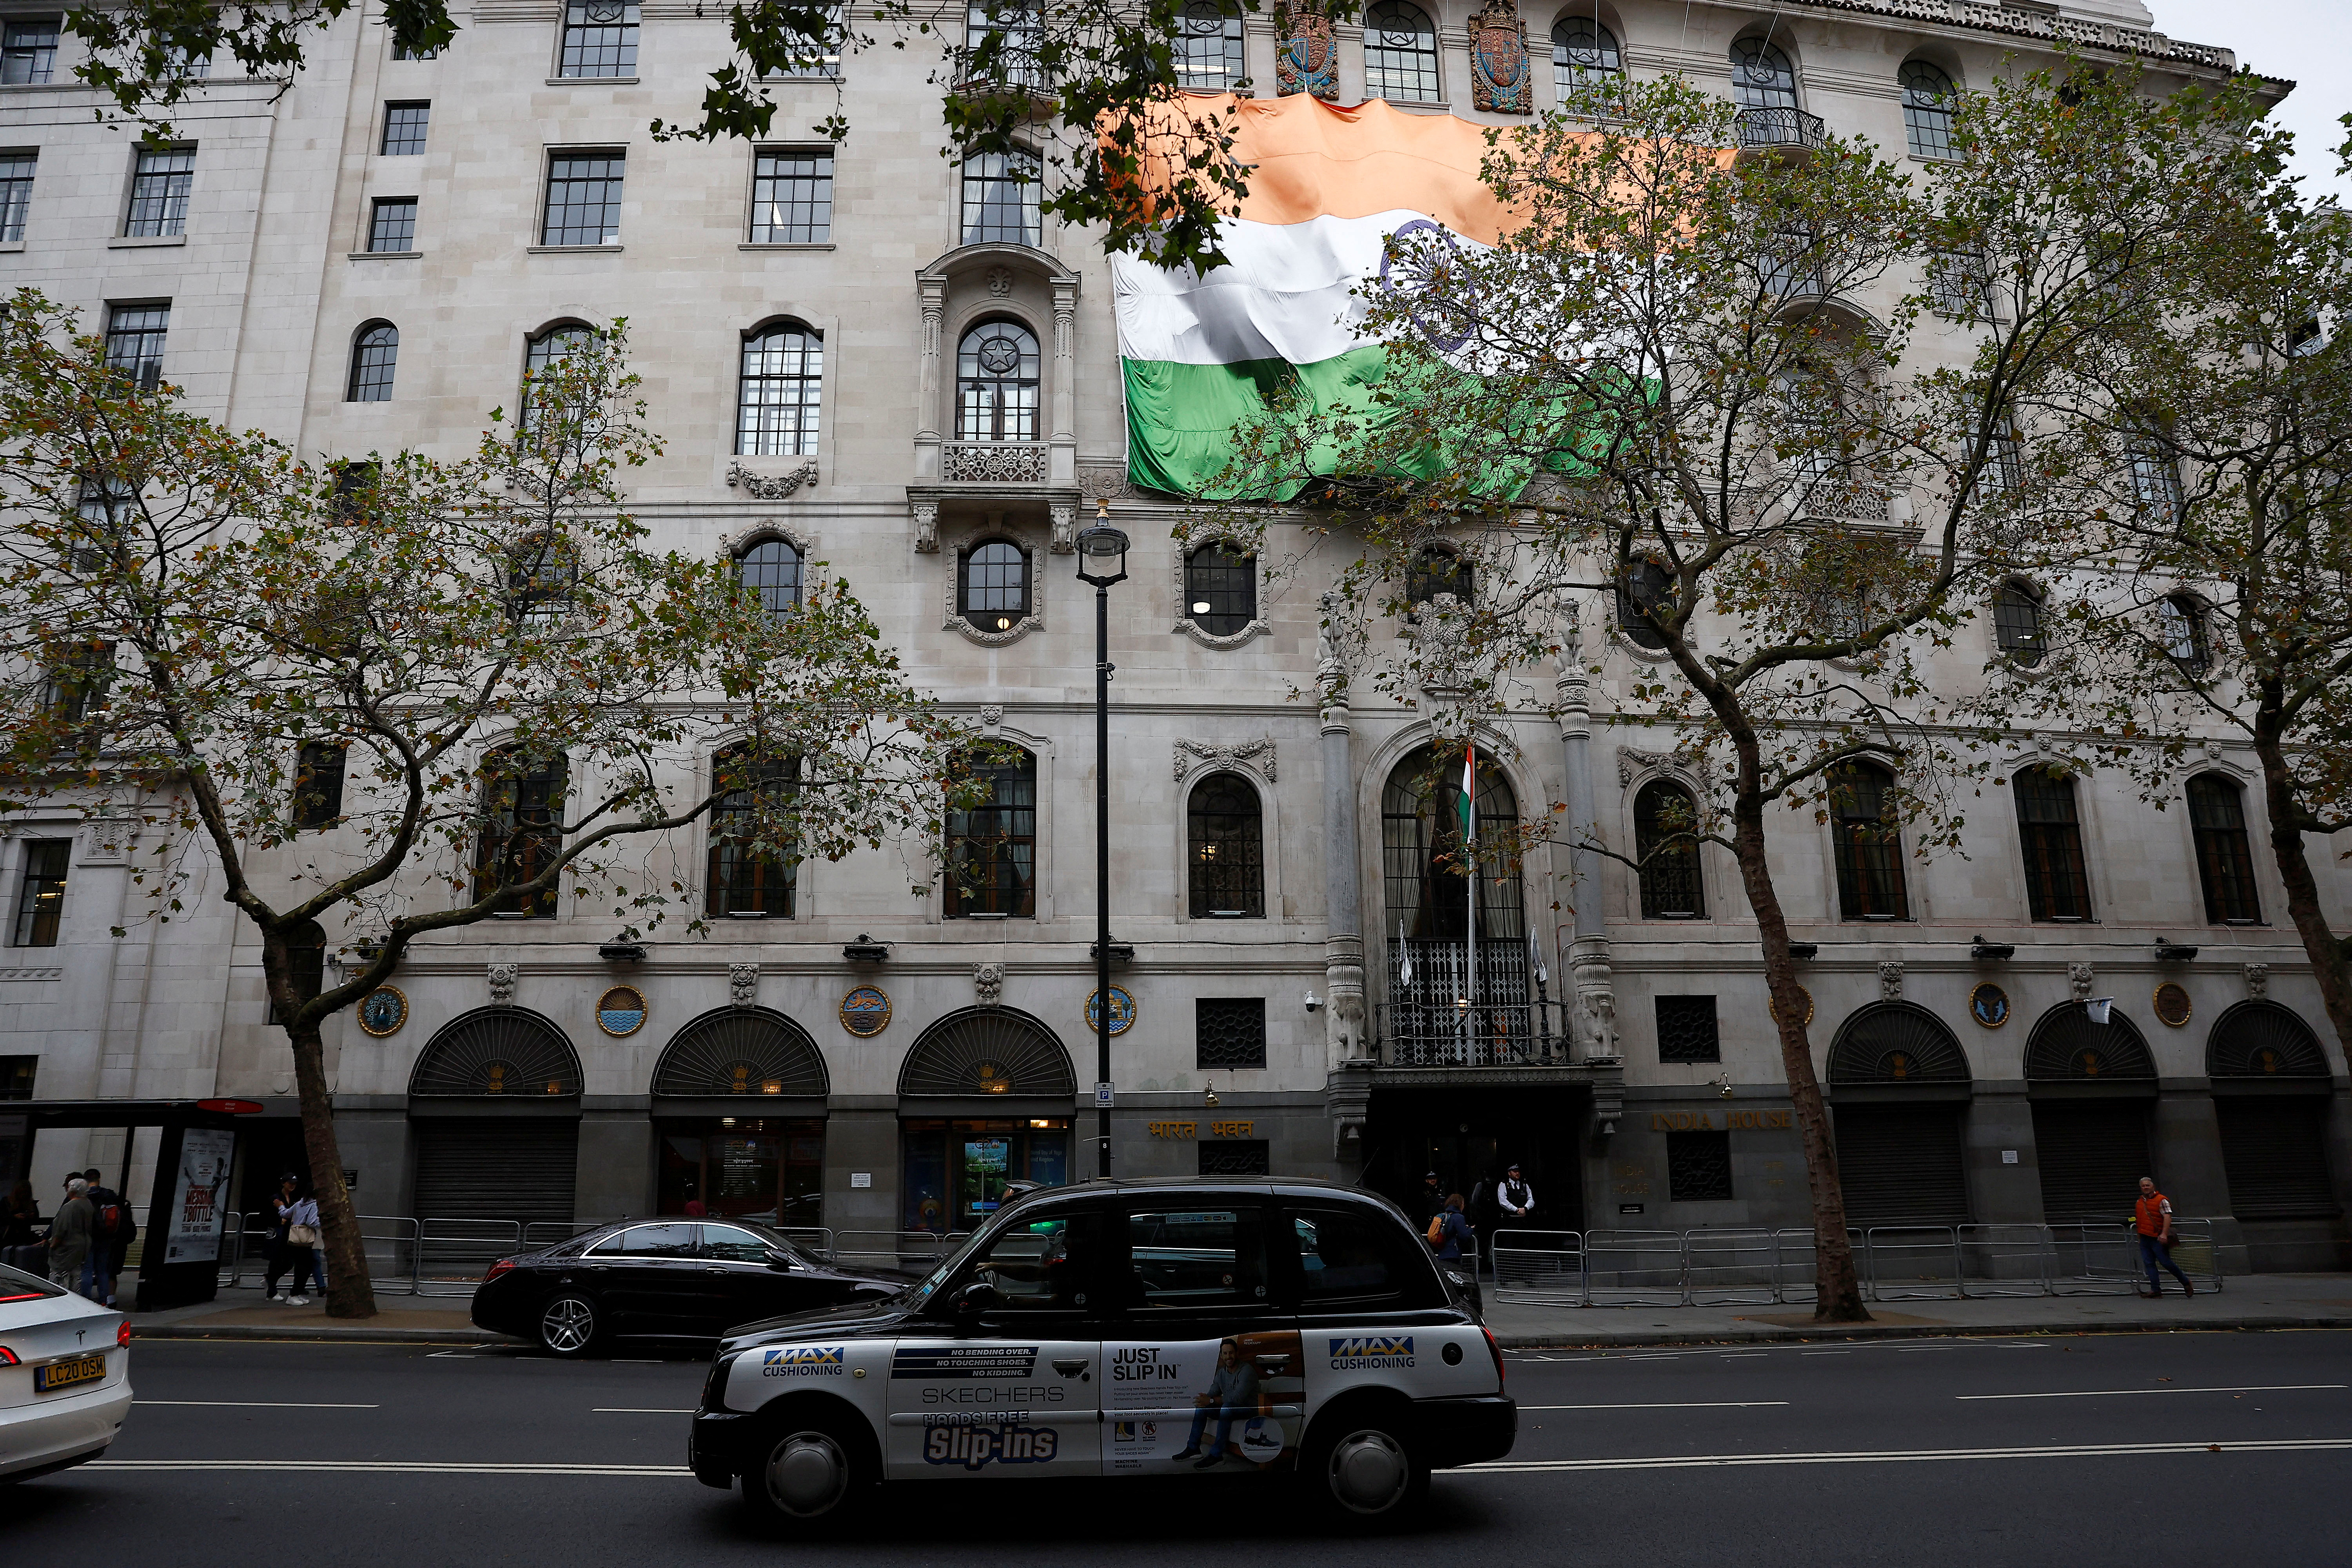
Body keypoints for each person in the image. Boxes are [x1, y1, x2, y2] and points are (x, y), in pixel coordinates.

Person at [1171, 1339, 1267, 1470]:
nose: (1229, 1357)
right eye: (1225, 1354)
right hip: (1232, 1409)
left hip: (1250, 1409)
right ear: (1222, 1356)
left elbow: (1237, 1398)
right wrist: (1204, 1399)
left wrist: (1211, 1401)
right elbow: (1213, 1391)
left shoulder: (1246, 1371)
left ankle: (1217, 1456)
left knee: (1227, 1408)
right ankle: (1193, 1449)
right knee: (1202, 1408)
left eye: (1231, 1353)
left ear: (1237, 1353)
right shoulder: (1222, 1373)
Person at [2134, 1175, 2194, 1298]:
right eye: (2143, 1186)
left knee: (2166, 1263)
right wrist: (2140, 1237)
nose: (2145, 1188)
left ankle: (2186, 1283)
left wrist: (2164, 1234)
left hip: (2157, 1237)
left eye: (2148, 1185)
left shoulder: (2162, 1200)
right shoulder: (2140, 1202)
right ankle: (2156, 1290)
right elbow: (2140, 1221)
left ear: (2153, 1187)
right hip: (2145, 1238)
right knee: (2149, 1263)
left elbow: (2168, 1217)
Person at [80, 1167, 128, 1308]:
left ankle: (86, 1300)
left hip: (88, 1236)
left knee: (87, 1271)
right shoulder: (109, 1195)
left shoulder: (83, 1195)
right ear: (99, 1179)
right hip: (106, 1237)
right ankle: (104, 1300)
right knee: (103, 1271)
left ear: (85, 1180)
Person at [45, 1177, 96, 1297]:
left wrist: (53, 1245)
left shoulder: (70, 1207)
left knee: (60, 1277)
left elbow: (61, 1230)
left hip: (66, 1248)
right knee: (76, 1276)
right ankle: (76, 1298)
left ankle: (61, 1299)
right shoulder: (88, 1204)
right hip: (82, 1246)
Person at [263, 1172, 302, 1303]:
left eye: (295, 1184)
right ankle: (272, 1291)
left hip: (289, 1235)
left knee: (289, 1263)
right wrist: (279, 1221)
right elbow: (265, 1216)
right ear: (283, 1183)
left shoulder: (294, 1198)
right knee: (275, 1261)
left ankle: (270, 1279)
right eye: (290, 1183)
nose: (292, 1186)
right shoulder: (275, 1198)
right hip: (277, 1235)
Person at [283, 1189, 325, 1305]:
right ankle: (294, 1295)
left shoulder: (298, 1204)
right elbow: (312, 1222)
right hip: (306, 1240)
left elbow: (285, 1214)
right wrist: (324, 1222)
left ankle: (297, 1293)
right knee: (305, 1268)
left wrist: (281, 1207)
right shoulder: (314, 1205)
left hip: (295, 1239)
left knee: (301, 1267)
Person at [2, 1179, 39, 1269]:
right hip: (9, 1235)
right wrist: (14, 1217)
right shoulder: (6, 1202)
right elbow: (2, 1217)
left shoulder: (30, 1203)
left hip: (25, 1235)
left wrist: (32, 1215)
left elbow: (37, 1218)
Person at [1431, 1192, 1475, 1262]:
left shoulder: (1442, 1216)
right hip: (1453, 1253)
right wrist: (1470, 1229)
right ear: (1460, 1204)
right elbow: (1464, 1236)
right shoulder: (1459, 1217)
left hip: (1442, 1252)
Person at [1495, 1163, 1536, 1229]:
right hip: (1509, 1220)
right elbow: (1503, 1201)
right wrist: (1516, 1210)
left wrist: (1525, 1209)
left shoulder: (1524, 1185)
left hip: (1524, 1220)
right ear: (1509, 1173)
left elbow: (1531, 1200)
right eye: (1515, 1172)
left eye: (1518, 1171)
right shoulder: (1503, 1185)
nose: (1517, 1173)